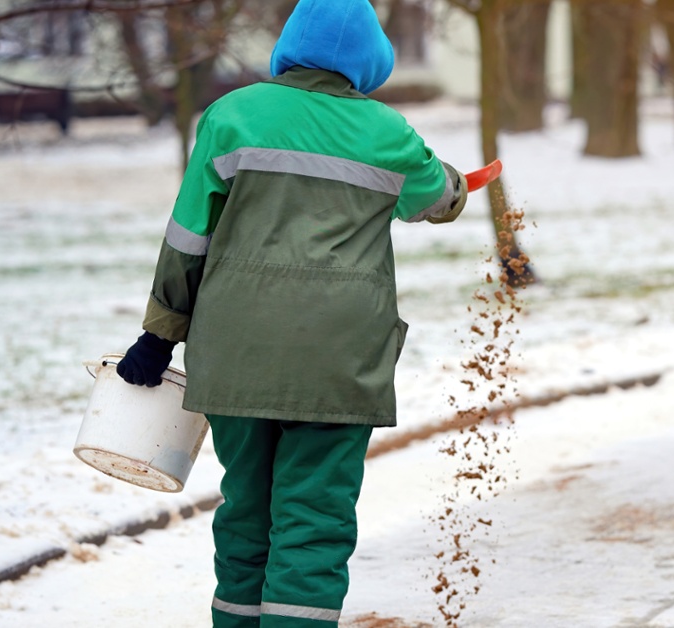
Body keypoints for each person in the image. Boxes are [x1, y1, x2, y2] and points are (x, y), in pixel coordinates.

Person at [113, 1, 468, 625]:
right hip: (336, 361)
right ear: (370, 59)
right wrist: (460, 183)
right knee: (313, 522)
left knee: (246, 511)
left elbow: (188, 238)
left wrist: (160, 333)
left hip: (235, 356)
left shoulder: (231, 117)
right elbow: (437, 199)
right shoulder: (387, 133)